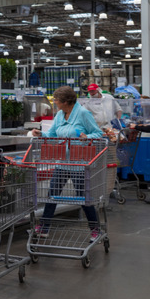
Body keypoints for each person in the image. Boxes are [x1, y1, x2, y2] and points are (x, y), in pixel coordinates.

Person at [31, 86, 104, 241]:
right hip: (62, 162)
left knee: (84, 198)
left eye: (56, 100)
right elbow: (52, 135)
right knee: (52, 195)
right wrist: (41, 134)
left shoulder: (83, 114)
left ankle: (95, 229)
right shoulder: (59, 114)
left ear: (66, 101)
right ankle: (44, 227)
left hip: (79, 163)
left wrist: (87, 137)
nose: (54, 102)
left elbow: (99, 134)